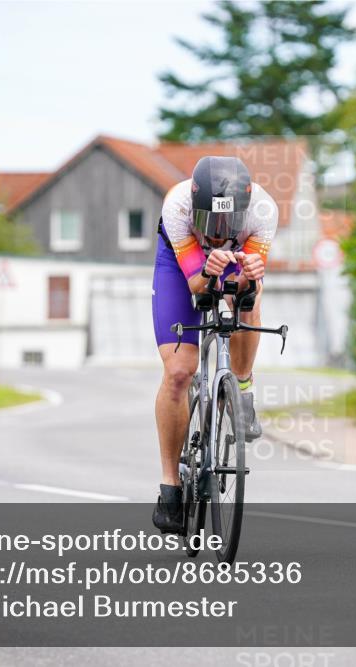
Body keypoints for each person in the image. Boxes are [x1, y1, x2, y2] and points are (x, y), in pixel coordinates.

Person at [151, 156, 278, 534]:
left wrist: (248, 278)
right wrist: (208, 268)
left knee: (248, 300)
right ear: (195, 204)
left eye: (228, 222)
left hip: (236, 260)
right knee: (178, 372)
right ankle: (171, 488)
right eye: (210, 220)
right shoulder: (176, 205)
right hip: (182, 264)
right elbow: (197, 290)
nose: (219, 231)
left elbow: (241, 289)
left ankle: (241, 389)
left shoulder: (263, 211)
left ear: (246, 205)